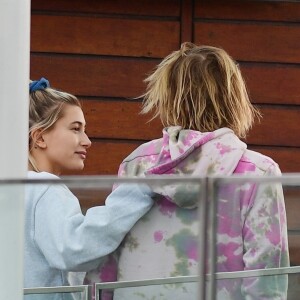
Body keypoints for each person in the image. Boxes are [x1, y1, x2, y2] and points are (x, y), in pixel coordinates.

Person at [85, 43, 289, 299]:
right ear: (234, 98)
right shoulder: (258, 172)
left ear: (168, 98)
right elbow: (266, 275)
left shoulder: (139, 164)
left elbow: (107, 256)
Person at [25, 78, 154, 299]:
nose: (87, 141)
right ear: (40, 137)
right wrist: (136, 190)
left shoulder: (15, 187)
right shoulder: (43, 187)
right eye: (76, 129)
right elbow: (75, 248)